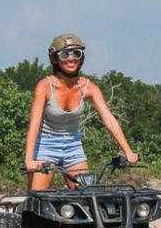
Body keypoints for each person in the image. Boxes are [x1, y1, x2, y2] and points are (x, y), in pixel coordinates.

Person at [24, 33, 139, 190]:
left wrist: (128, 152)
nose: (71, 59)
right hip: (45, 147)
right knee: (37, 199)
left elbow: (109, 121)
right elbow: (34, 124)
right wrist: (29, 160)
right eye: (65, 54)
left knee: (87, 195)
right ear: (55, 59)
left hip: (73, 147)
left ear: (81, 58)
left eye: (76, 54)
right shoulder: (45, 86)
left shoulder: (88, 87)